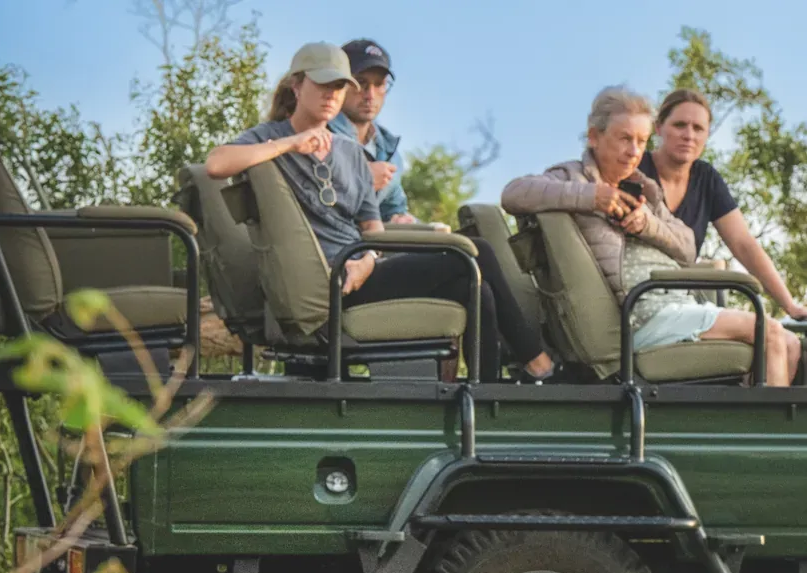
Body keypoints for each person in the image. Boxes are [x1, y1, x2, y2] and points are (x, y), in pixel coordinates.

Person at [205, 42, 554, 381]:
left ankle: (486, 395)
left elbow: (372, 231)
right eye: (323, 84)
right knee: (479, 254)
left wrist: (368, 259)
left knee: (473, 283)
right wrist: (289, 144)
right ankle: (536, 361)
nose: (332, 94)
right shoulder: (271, 137)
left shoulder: (351, 152)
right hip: (328, 279)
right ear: (296, 85)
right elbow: (217, 164)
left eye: (340, 86)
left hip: (361, 269)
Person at [502, 86, 801, 386]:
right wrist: (592, 196)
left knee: (791, 343)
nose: (633, 152)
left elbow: (686, 247)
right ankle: (771, 432)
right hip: (643, 312)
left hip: (674, 304)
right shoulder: (572, 177)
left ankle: (745, 428)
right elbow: (514, 193)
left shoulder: (644, 188)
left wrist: (648, 224)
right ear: (594, 137)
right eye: (624, 139)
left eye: (641, 142)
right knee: (771, 333)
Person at [640, 89, 807, 319]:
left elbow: (743, 243)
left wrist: (790, 306)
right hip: (639, 291)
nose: (689, 135)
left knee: (777, 336)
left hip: (680, 299)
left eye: (698, 128)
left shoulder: (706, 179)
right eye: (679, 125)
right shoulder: (635, 169)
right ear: (658, 128)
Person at [327, 38, 416, 225]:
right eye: (360, 82)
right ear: (339, 83)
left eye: (380, 84)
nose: (370, 95)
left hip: (376, 247)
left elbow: (393, 207)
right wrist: (362, 179)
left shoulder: (388, 149)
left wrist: (398, 219)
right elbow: (308, 201)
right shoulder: (318, 135)